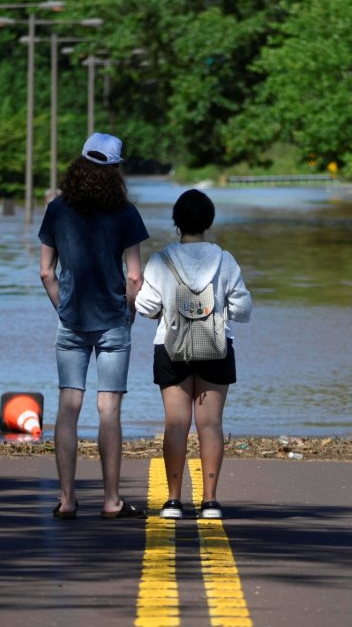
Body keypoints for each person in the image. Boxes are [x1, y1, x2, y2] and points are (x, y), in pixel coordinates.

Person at [38, 132, 149, 520]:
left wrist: (63, 308)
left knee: (68, 407)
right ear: (115, 170)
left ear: (79, 164)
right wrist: (128, 312)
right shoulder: (126, 213)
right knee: (109, 410)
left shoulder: (57, 210)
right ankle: (112, 500)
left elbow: (46, 272)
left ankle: (67, 499)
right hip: (112, 322)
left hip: (71, 320)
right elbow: (134, 277)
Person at [135, 189, 252, 519]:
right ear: (209, 223)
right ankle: (210, 501)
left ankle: (173, 501)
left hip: (171, 347)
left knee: (176, 423)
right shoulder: (225, 260)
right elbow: (243, 308)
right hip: (216, 347)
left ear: (176, 222)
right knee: (211, 424)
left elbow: (146, 307)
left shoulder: (161, 260)